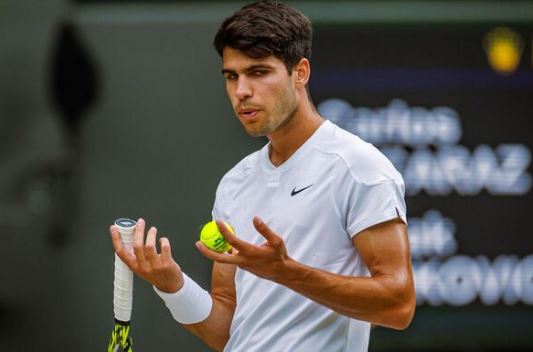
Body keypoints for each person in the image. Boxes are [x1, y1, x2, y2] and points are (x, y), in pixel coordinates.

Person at [110, 1, 415, 351]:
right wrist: (172, 285)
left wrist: (286, 272)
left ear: (300, 72)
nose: (241, 91)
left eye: (258, 72)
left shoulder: (359, 168)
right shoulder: (235, 183)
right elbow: (227, 332)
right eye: (231, 76)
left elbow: (399, 306)